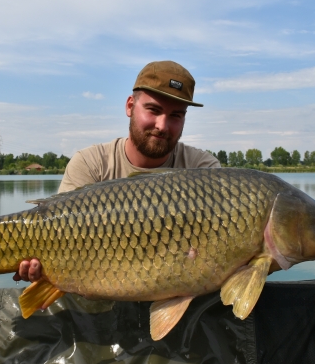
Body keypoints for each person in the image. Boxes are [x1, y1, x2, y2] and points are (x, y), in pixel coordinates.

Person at [14, 60, 220, 283]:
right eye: (154, 110)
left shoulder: (204, 171)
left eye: (176, 116)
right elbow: (58, 230)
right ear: (130, 106)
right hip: (95, 298)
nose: (162, 125)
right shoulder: (90, 164)